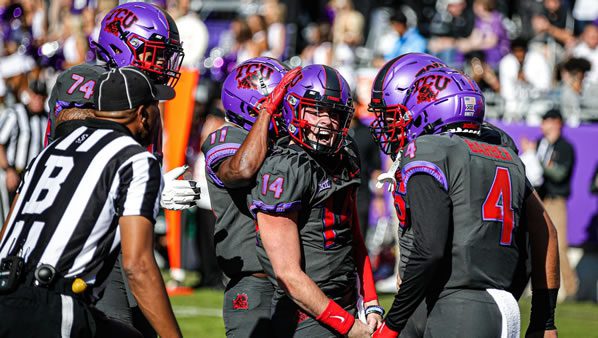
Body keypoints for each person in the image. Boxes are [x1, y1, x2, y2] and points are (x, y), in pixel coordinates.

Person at [368, 66, 560, 337]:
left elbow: (430, 250)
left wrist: (390, 325)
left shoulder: (431, 149)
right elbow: (545, 231)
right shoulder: (503, 153)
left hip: (457, 304)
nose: (396, 123)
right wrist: (545, 320)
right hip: (495, 300)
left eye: (399, 112)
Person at [0, 66, 181, 338]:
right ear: (143, 114)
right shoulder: (134, 158)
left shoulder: (48, 152)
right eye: (155, 107)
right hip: (49, 304)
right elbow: (137, 265)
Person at [249, 64, 382, 337]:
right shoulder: (284, 168)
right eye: (315, 110)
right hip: (307, 311)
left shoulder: (345, 154)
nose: (325, 122)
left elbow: (354, 237)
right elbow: (288, 274)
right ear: (294, 108)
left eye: (335, 114)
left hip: (346, 298)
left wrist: (371, 302)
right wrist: (347, 325)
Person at [202, 57, 300, 337]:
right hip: (254, 283)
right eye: (279, 102)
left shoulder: (283, 141)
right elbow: (241, 170)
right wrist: (267, 113)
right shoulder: (225, 136)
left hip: (295, 280)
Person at [522, 108, 577, 300]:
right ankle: (536, 287)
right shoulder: (539, 143)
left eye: (547, 121)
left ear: (557, 123)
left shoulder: (565, 147)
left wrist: (534, 158)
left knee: (559, 246)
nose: (543, 125)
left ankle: (571, 290)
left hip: (555, 201)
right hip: (539, 199)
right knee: (535, 245)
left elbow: (559, 174)